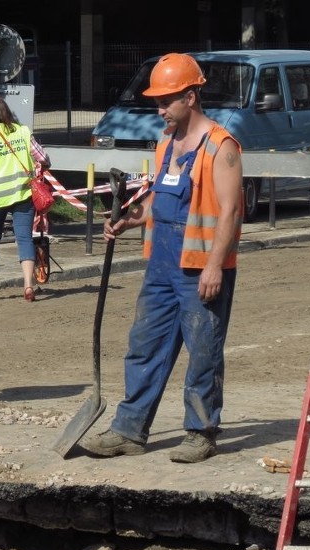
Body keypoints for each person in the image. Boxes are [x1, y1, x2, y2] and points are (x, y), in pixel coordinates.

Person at [82, 53, 244, 463]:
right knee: (144, 345)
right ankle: (128, 430)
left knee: (203, 350)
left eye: (167, 100)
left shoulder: (221, 146)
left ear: (190, 96)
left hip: (198, 266)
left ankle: (201, 431)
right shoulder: (166, 142)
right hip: (161, 264)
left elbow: (231, 210)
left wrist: (213, 265)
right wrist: (133, 220)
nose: (159, 108)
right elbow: (161, 197)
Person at [0, 96, 51, 302]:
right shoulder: (22, 131)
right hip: (23, 194)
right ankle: (29, 286)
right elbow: (43, 158)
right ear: (6, 112)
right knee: (24, 238)